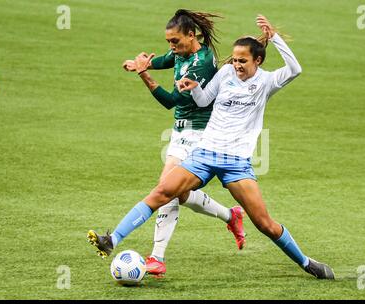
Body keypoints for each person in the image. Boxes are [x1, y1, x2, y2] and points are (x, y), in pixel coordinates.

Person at [88, 14, 335, 279]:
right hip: (204, 154)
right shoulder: (226, 73)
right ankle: (112, 239)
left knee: (265, 224)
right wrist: (193, 87)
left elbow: (295, 69)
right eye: (235, 59)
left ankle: (306, 262)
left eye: (243, 61)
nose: (236, 65)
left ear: (258, 61)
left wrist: (274, 38)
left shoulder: (266, 82)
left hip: (236, 163)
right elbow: (205, 100)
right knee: (163, 191)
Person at [88, 9, 245, 277]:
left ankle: (152, 255)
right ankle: (231, 216)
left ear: (191, 35)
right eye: (168, 41)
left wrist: (143, 75)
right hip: (179, 134)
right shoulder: (183, 53)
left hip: (200, 136)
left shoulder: (201, 64)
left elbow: (170, 101)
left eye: (175, 41)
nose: (171, 47)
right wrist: (145, 63)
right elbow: (166, 59)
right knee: (180, 194)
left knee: (166, 190)